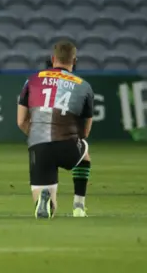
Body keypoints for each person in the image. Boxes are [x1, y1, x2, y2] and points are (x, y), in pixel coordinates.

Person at [17, 40, 94, 219]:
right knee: (85, 154)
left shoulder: (32, 80)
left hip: (39, 146)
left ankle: (44, 200)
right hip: (67, 145)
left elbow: (21, 121)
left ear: (53, 59)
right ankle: (79, 206)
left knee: (49, 210)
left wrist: (38, 135)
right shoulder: (84, 86)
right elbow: (85, 132)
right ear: (74, 61)